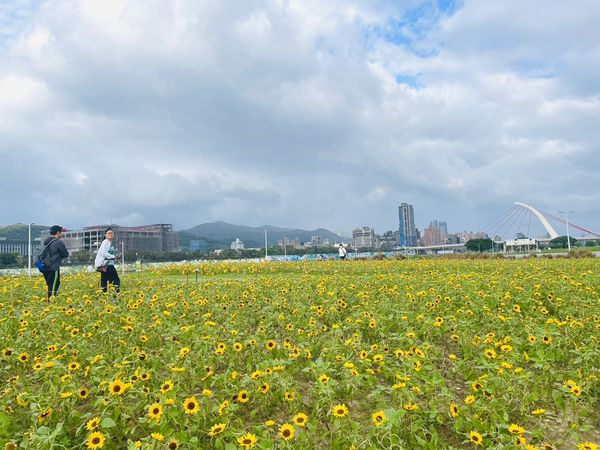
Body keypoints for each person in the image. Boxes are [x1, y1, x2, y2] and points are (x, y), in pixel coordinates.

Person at [42, 225, 69, 299]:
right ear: (58, 232)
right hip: (53, 267)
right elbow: (65, 254)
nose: (62, 233)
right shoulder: (58, 242)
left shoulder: (46, 242)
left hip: (45, 267)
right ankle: (51, 303)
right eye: (61, 232)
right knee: (54, 285)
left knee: (50, 285)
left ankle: (49, 301)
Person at [95, 228, 120, 294]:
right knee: (115, 279)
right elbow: (103, 253)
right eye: (109, 233)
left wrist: (114, 256)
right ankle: (116, 293)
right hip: (108, 264)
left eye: (112, 233)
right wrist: (113, 256)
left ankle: (104, 294)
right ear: (105, 235)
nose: (110, 234)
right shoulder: (106, 242)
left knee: (105, 280)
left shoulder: (108, 242)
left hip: (106, 265)